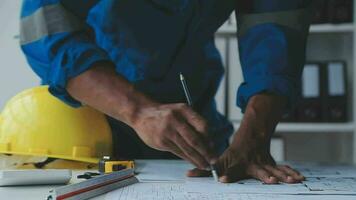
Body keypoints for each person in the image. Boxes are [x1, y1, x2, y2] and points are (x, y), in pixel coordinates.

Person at [20, 0, 315, 184]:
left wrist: (254, 136)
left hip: (195, 121)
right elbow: (47, 24)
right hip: (91, 122)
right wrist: (138, 111)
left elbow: (276, 31)